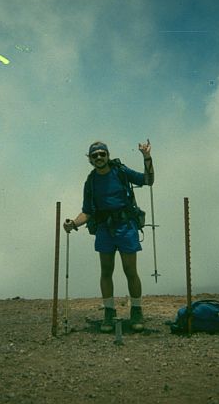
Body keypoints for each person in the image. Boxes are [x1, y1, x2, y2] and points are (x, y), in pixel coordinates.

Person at [64, 140, 154, 332]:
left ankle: (136, 311)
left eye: (101, 154)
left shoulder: (120, 171)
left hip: (126, 226)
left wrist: (147, 157)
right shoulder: (90, 182)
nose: (99, 157)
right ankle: (109, 312)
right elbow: (87, 212)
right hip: (104, 229)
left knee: (130, 270)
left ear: (107, 155)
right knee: (106, 271)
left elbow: (147, 180)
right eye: (95, 155)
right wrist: (73, 223)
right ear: (90, 159)